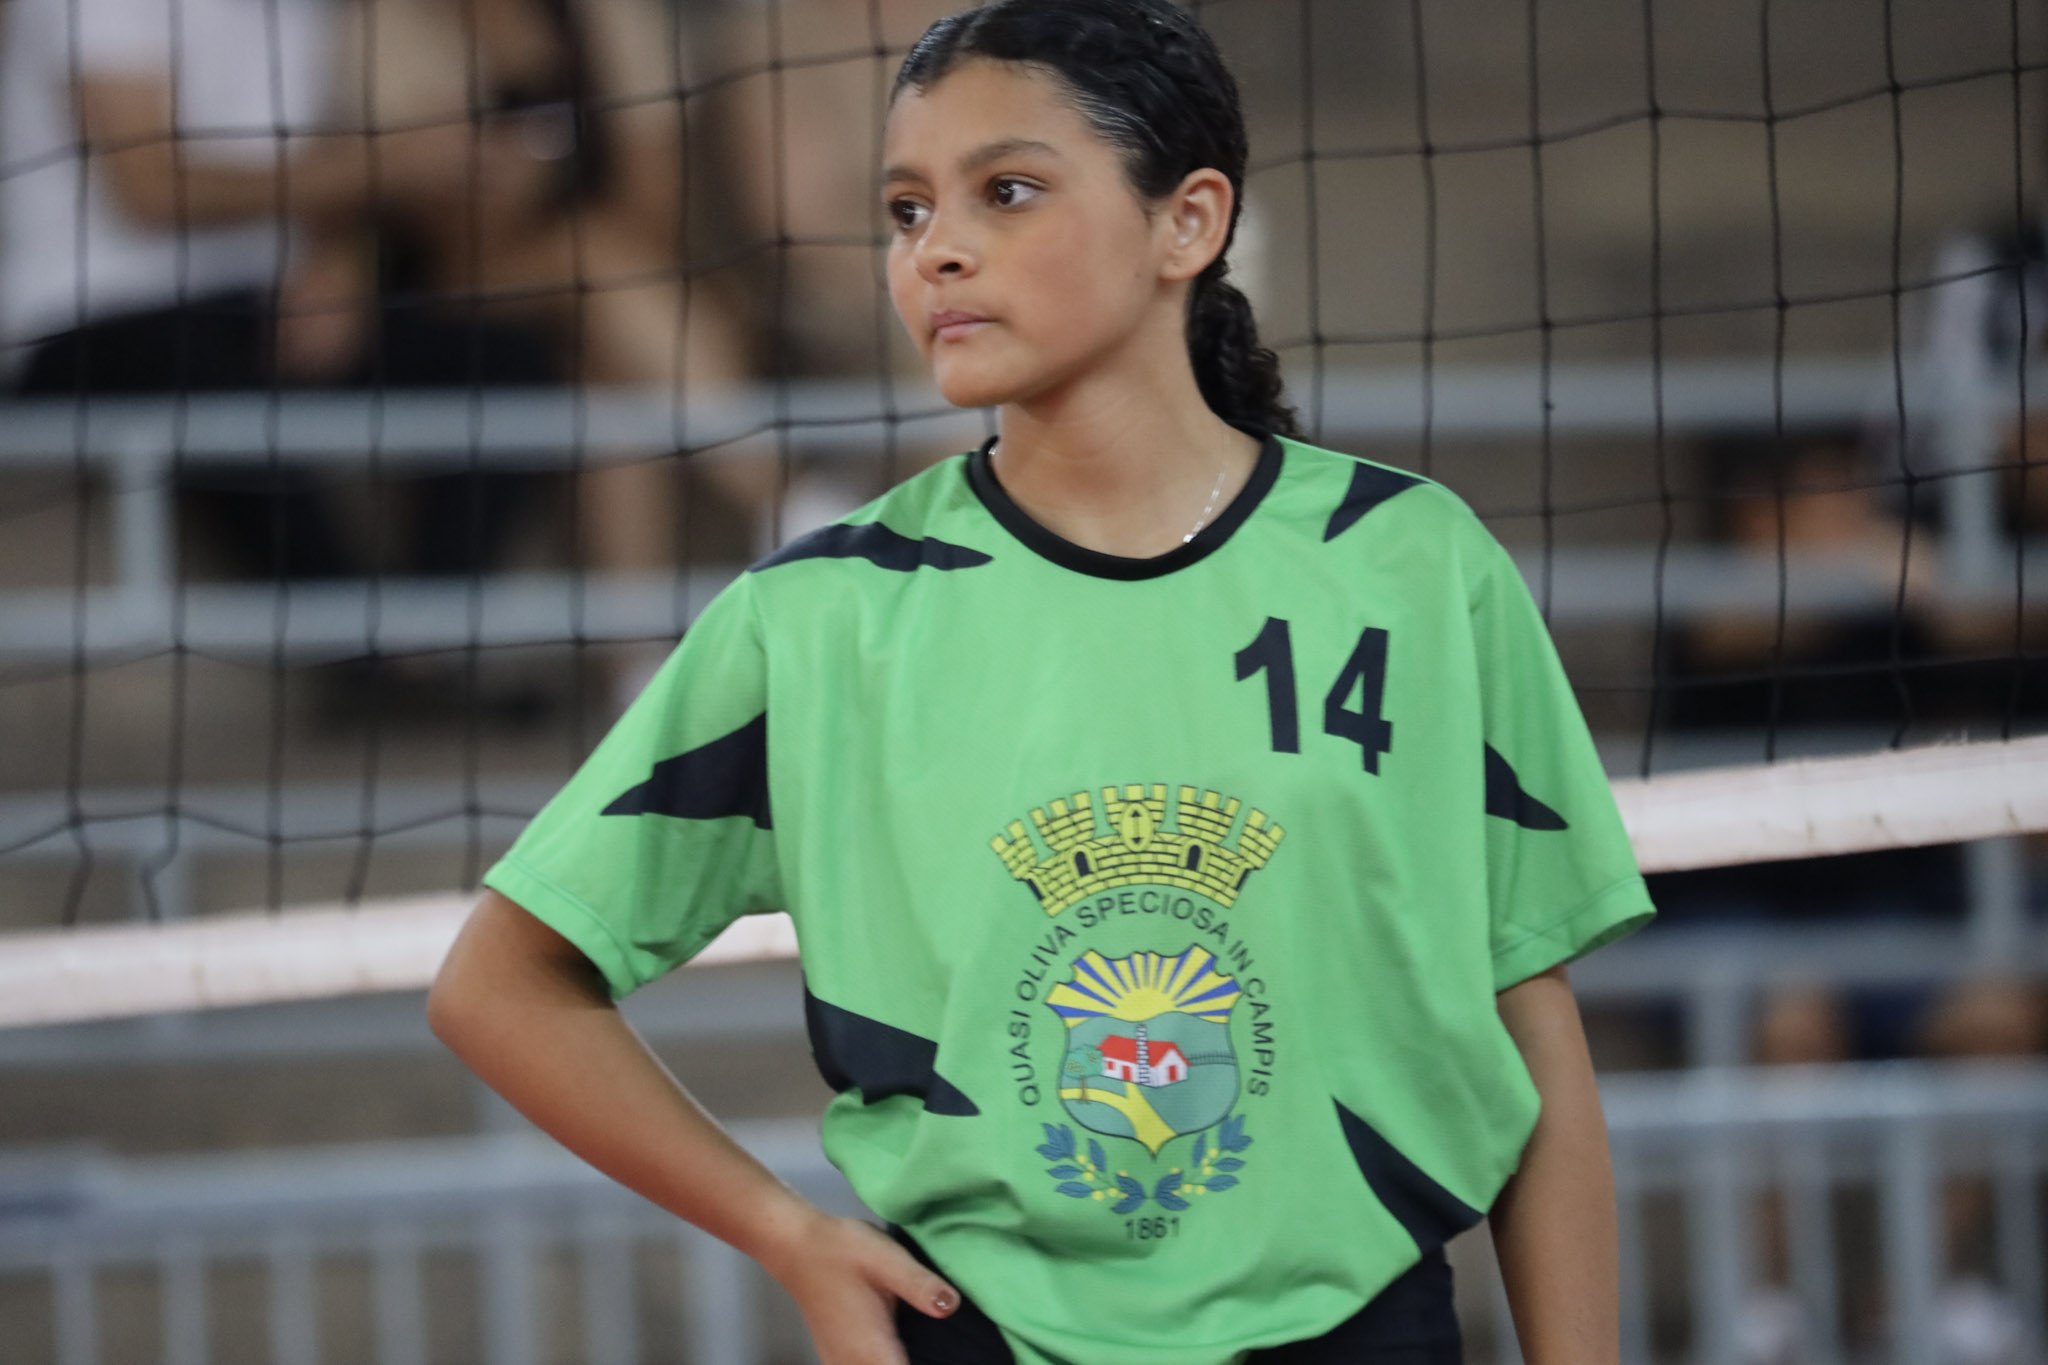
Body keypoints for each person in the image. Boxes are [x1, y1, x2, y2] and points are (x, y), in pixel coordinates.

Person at [427, 4, 1655, 1364]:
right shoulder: (822, 618)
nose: (937, 249)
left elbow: (1531, 1030)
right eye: (906, 210)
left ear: (1188, 223)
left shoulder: (1411, 564)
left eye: (1005, 192)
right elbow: (500, 986)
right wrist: (787, 1234)